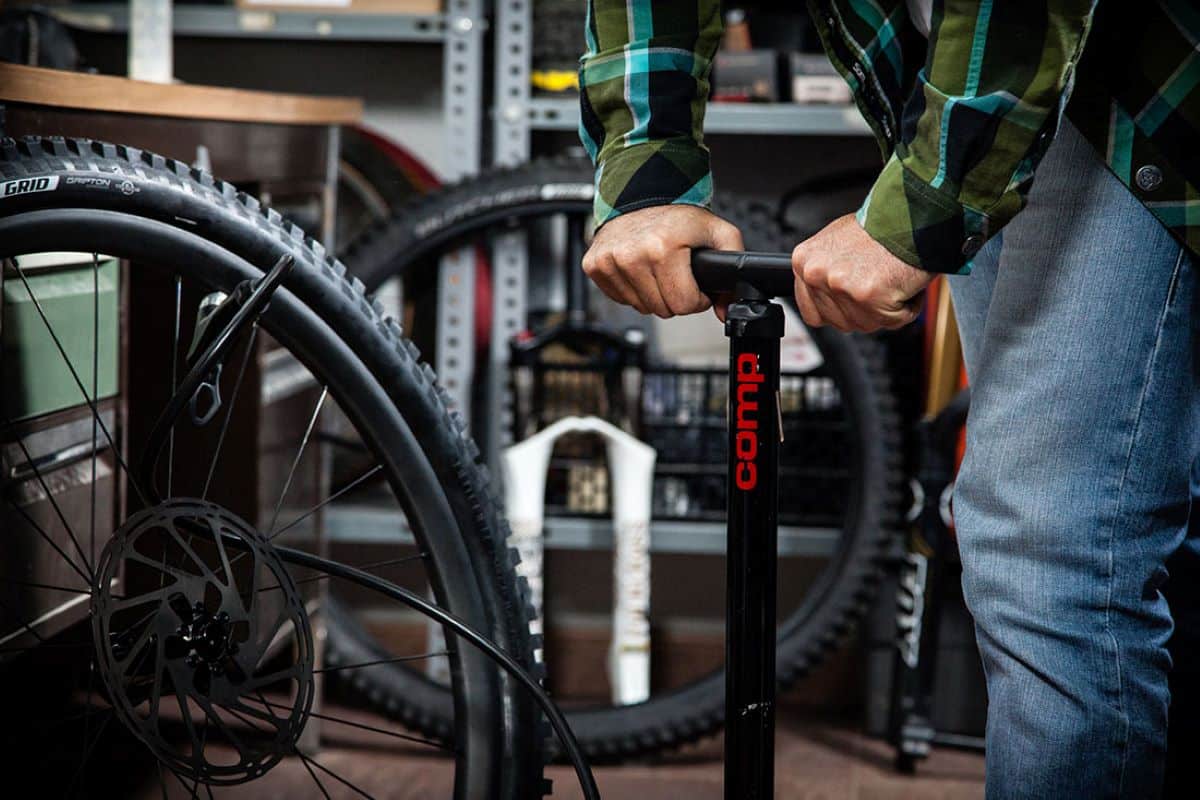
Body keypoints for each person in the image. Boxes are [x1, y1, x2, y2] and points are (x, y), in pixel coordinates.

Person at [579, 2, 1200, 797]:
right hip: (971, 82)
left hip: (1119, 72)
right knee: (1130, 524)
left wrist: (923, 208)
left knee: (1054, 552)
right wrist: (647, 170)